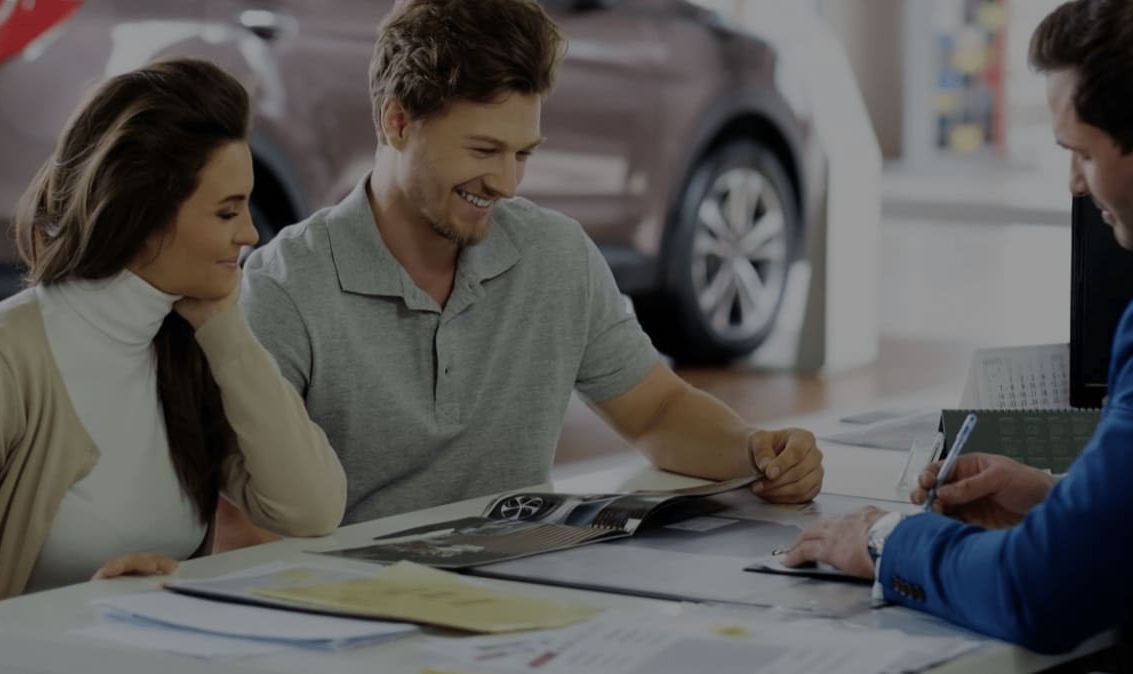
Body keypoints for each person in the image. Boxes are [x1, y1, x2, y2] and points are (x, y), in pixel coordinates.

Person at [780, 1, 1133, 670]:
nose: (1074, 184)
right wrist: (1062, 504)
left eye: (1080, 153)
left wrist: (890, 540)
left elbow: (1046, 593)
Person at [240, 0, 823, 525]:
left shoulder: (556, 255)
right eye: (483, 150)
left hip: (520, 603)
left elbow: (657, 411)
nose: (506, 183)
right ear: (397, 122)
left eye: (522, 154)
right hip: (349, 611)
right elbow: (251, 516)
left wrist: (756, 452)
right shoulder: (286, 288)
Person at [0, 59, 347, 674]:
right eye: (226, 212)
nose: (249, 232)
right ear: (142, 217)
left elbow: (311, 508)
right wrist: (76, 632)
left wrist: (226, 330)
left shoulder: (189, 345)